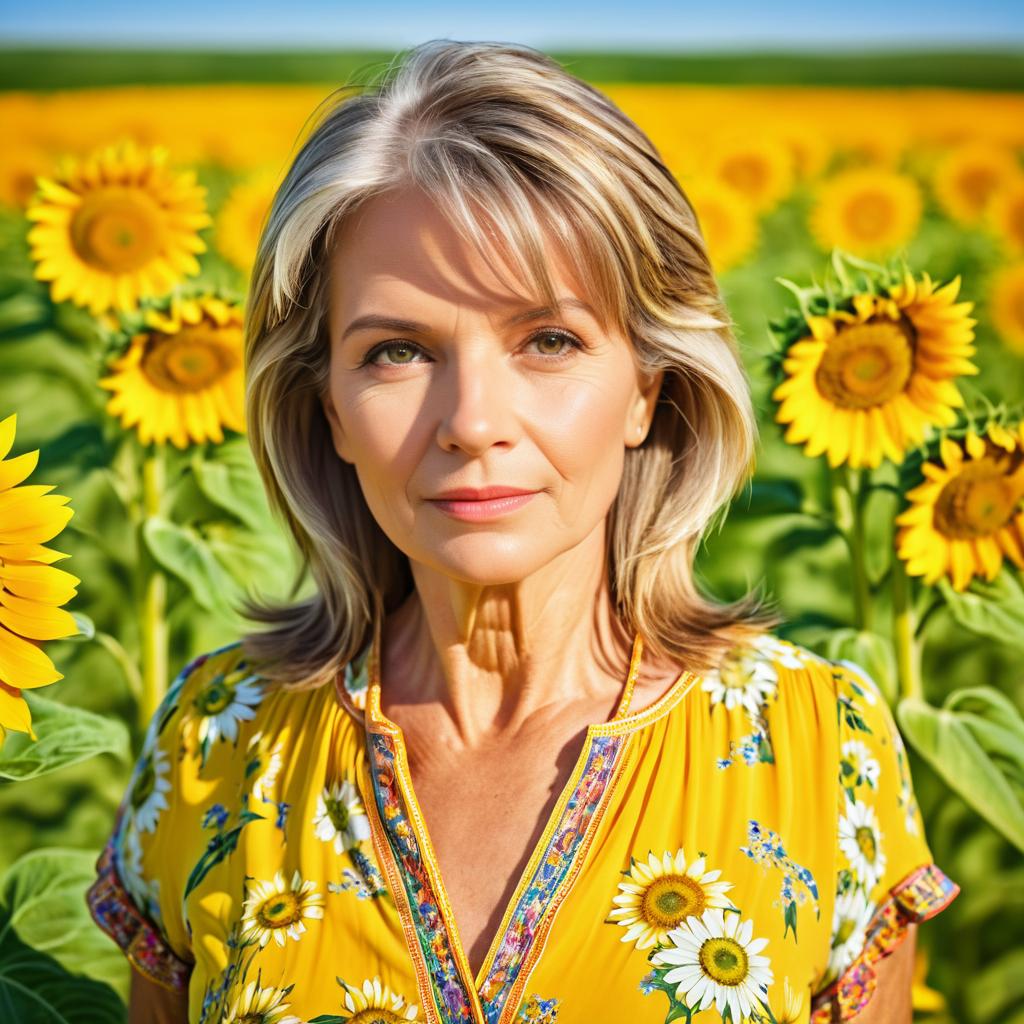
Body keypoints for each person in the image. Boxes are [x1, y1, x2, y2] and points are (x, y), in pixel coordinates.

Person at [87, 38, 959, 1024]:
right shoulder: (218, 741)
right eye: (397, 351)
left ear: (647, 388)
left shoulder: (811, 742)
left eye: (548, 340)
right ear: (324, 402)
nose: (471, 420)